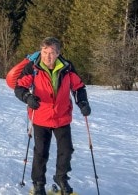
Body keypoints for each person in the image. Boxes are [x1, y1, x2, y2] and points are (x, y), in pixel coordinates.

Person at [14, 37, 91, 195]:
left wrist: (82, 102)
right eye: (44, 52)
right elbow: (19, 87)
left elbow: (78, 87)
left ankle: (61, 178)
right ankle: (38, 184)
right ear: (40, 51)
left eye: (51, 53)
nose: (47, 56)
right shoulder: (33, 67)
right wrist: (28, 98)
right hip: (41, 117)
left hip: (62, 117)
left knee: (67, 150)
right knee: (41, 152)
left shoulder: (67, 68)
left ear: (58, 53)